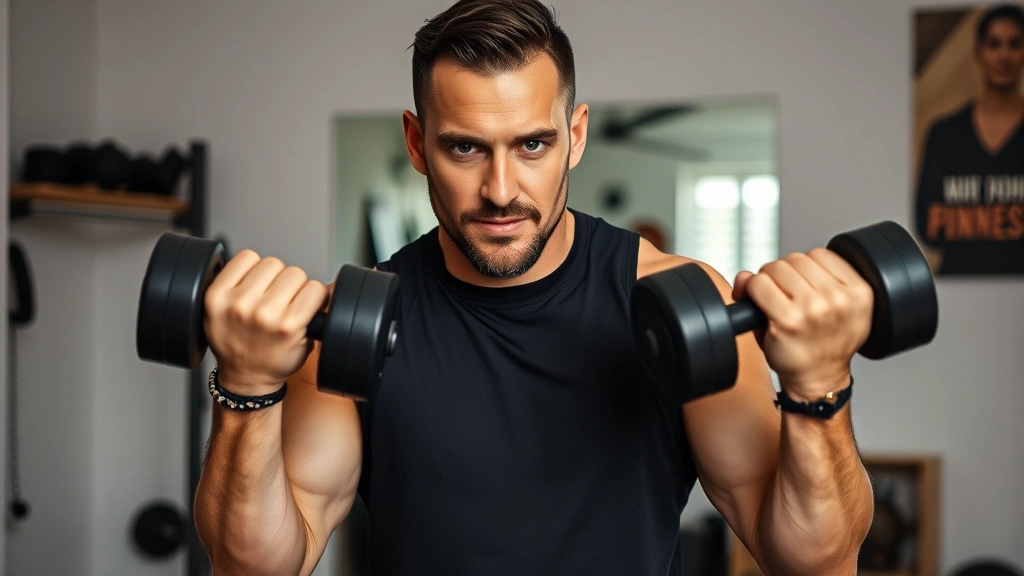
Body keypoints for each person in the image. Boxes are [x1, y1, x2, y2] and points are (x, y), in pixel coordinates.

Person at [194, 1, 874, 574]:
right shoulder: (360, 323)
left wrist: (820, 385)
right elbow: (257, 566)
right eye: (465, 148)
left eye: (532, 146)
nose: (500, 191)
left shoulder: (676, 299)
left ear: (575, 136)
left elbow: (814, 562)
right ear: (416, 141)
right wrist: (246, 388)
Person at [915, 4, 1024, 274]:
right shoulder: (944, 133)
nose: (1003, 56)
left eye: (1014, 44)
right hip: (959, 284)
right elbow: (927, 226)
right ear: (978, 52)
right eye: (994, 44)